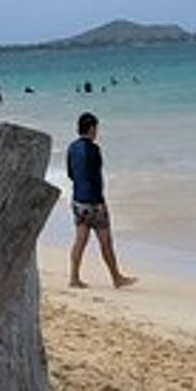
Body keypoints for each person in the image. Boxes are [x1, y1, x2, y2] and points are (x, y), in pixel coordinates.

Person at [65, 112, 136, 290]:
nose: (97, 132)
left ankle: (74, 278)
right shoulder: (94, 149)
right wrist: (101, 202)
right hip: (93, 203)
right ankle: (116, 278)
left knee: (80, 240)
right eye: (96, 128)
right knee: (105, 242)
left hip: (78, 201)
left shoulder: (72, 147)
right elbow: (95, 178)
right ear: (90, 128)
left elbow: (71, 174)